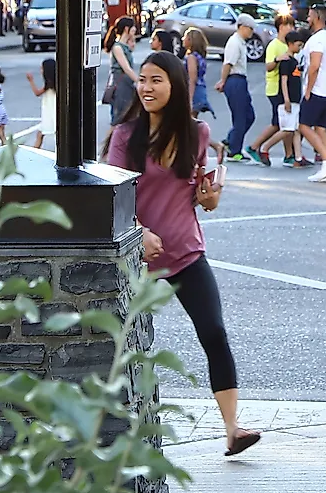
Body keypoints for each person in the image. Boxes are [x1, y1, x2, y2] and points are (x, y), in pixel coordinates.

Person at [108, 52, 260, 457]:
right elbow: (112, 198)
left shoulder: (198, 133)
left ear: (174, 86)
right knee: (128, 346)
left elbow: (199, 194)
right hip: (138, 260)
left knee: (214, 332)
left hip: (187, 252)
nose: (146, 88)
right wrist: (139, 232)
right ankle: (127, 434)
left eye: (155, 80)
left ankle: (232, 429)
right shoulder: (125, 136)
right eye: (142, 80)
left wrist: (209, 198)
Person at [254, 28, 309, 167]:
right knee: (287, 129)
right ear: (290, 44)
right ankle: (265, 148)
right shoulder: (286, 61)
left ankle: (297, 157)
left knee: (295, 129)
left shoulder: (294, 61)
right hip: (288, 100)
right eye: (298, 45)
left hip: (296, 99)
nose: (299, 48)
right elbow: (283, 81)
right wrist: (286, 99)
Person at [300, 5, 326, 182]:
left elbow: (314, 66)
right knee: (321, 128)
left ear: (317, 17)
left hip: (318, 90)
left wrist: (308, 89)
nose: (307, 19)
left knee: (303, 126)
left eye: (310, 16)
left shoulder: (317, 40)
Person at [246, 15, 294, 167]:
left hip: (286, 87)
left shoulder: (288, 44)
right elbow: (268, 66)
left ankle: (289, 154)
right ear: (281, 27)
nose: (291, 29)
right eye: (289, 26)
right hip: (275, 88)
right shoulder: (274, 45)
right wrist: (278, 59)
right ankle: (254, 147)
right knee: (278, 123)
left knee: (286, 123)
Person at [218, 14, 259, 162]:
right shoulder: (234, 42)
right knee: (240, 117)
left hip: (241, 80)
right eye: (250, 28)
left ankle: (231, 140)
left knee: (249, 115)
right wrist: (223, 81)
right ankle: (234, 151)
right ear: (242, 27)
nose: (252, 32)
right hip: (235, 79)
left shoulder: (241, 42)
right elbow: (228, 63)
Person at [103, 17, 142, 139]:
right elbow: (126, 68)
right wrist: (139, 81)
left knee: (127, 116)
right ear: (127, 29)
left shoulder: (125, 46)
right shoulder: (117, 47)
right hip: (120, 85)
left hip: (126, 85)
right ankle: (106, 150)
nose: (135, 29)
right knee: (118, 118)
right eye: (133, 26)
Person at [30, 55, 57, 150]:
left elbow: (37, 93)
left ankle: (34, 152)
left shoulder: (49, 84)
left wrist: (31, 81)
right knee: (41, 133)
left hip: (50, 112)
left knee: (43, 133)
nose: (41, 71)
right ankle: (34, 151)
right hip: (52, 111)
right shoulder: (55, 83)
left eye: (42, 69)